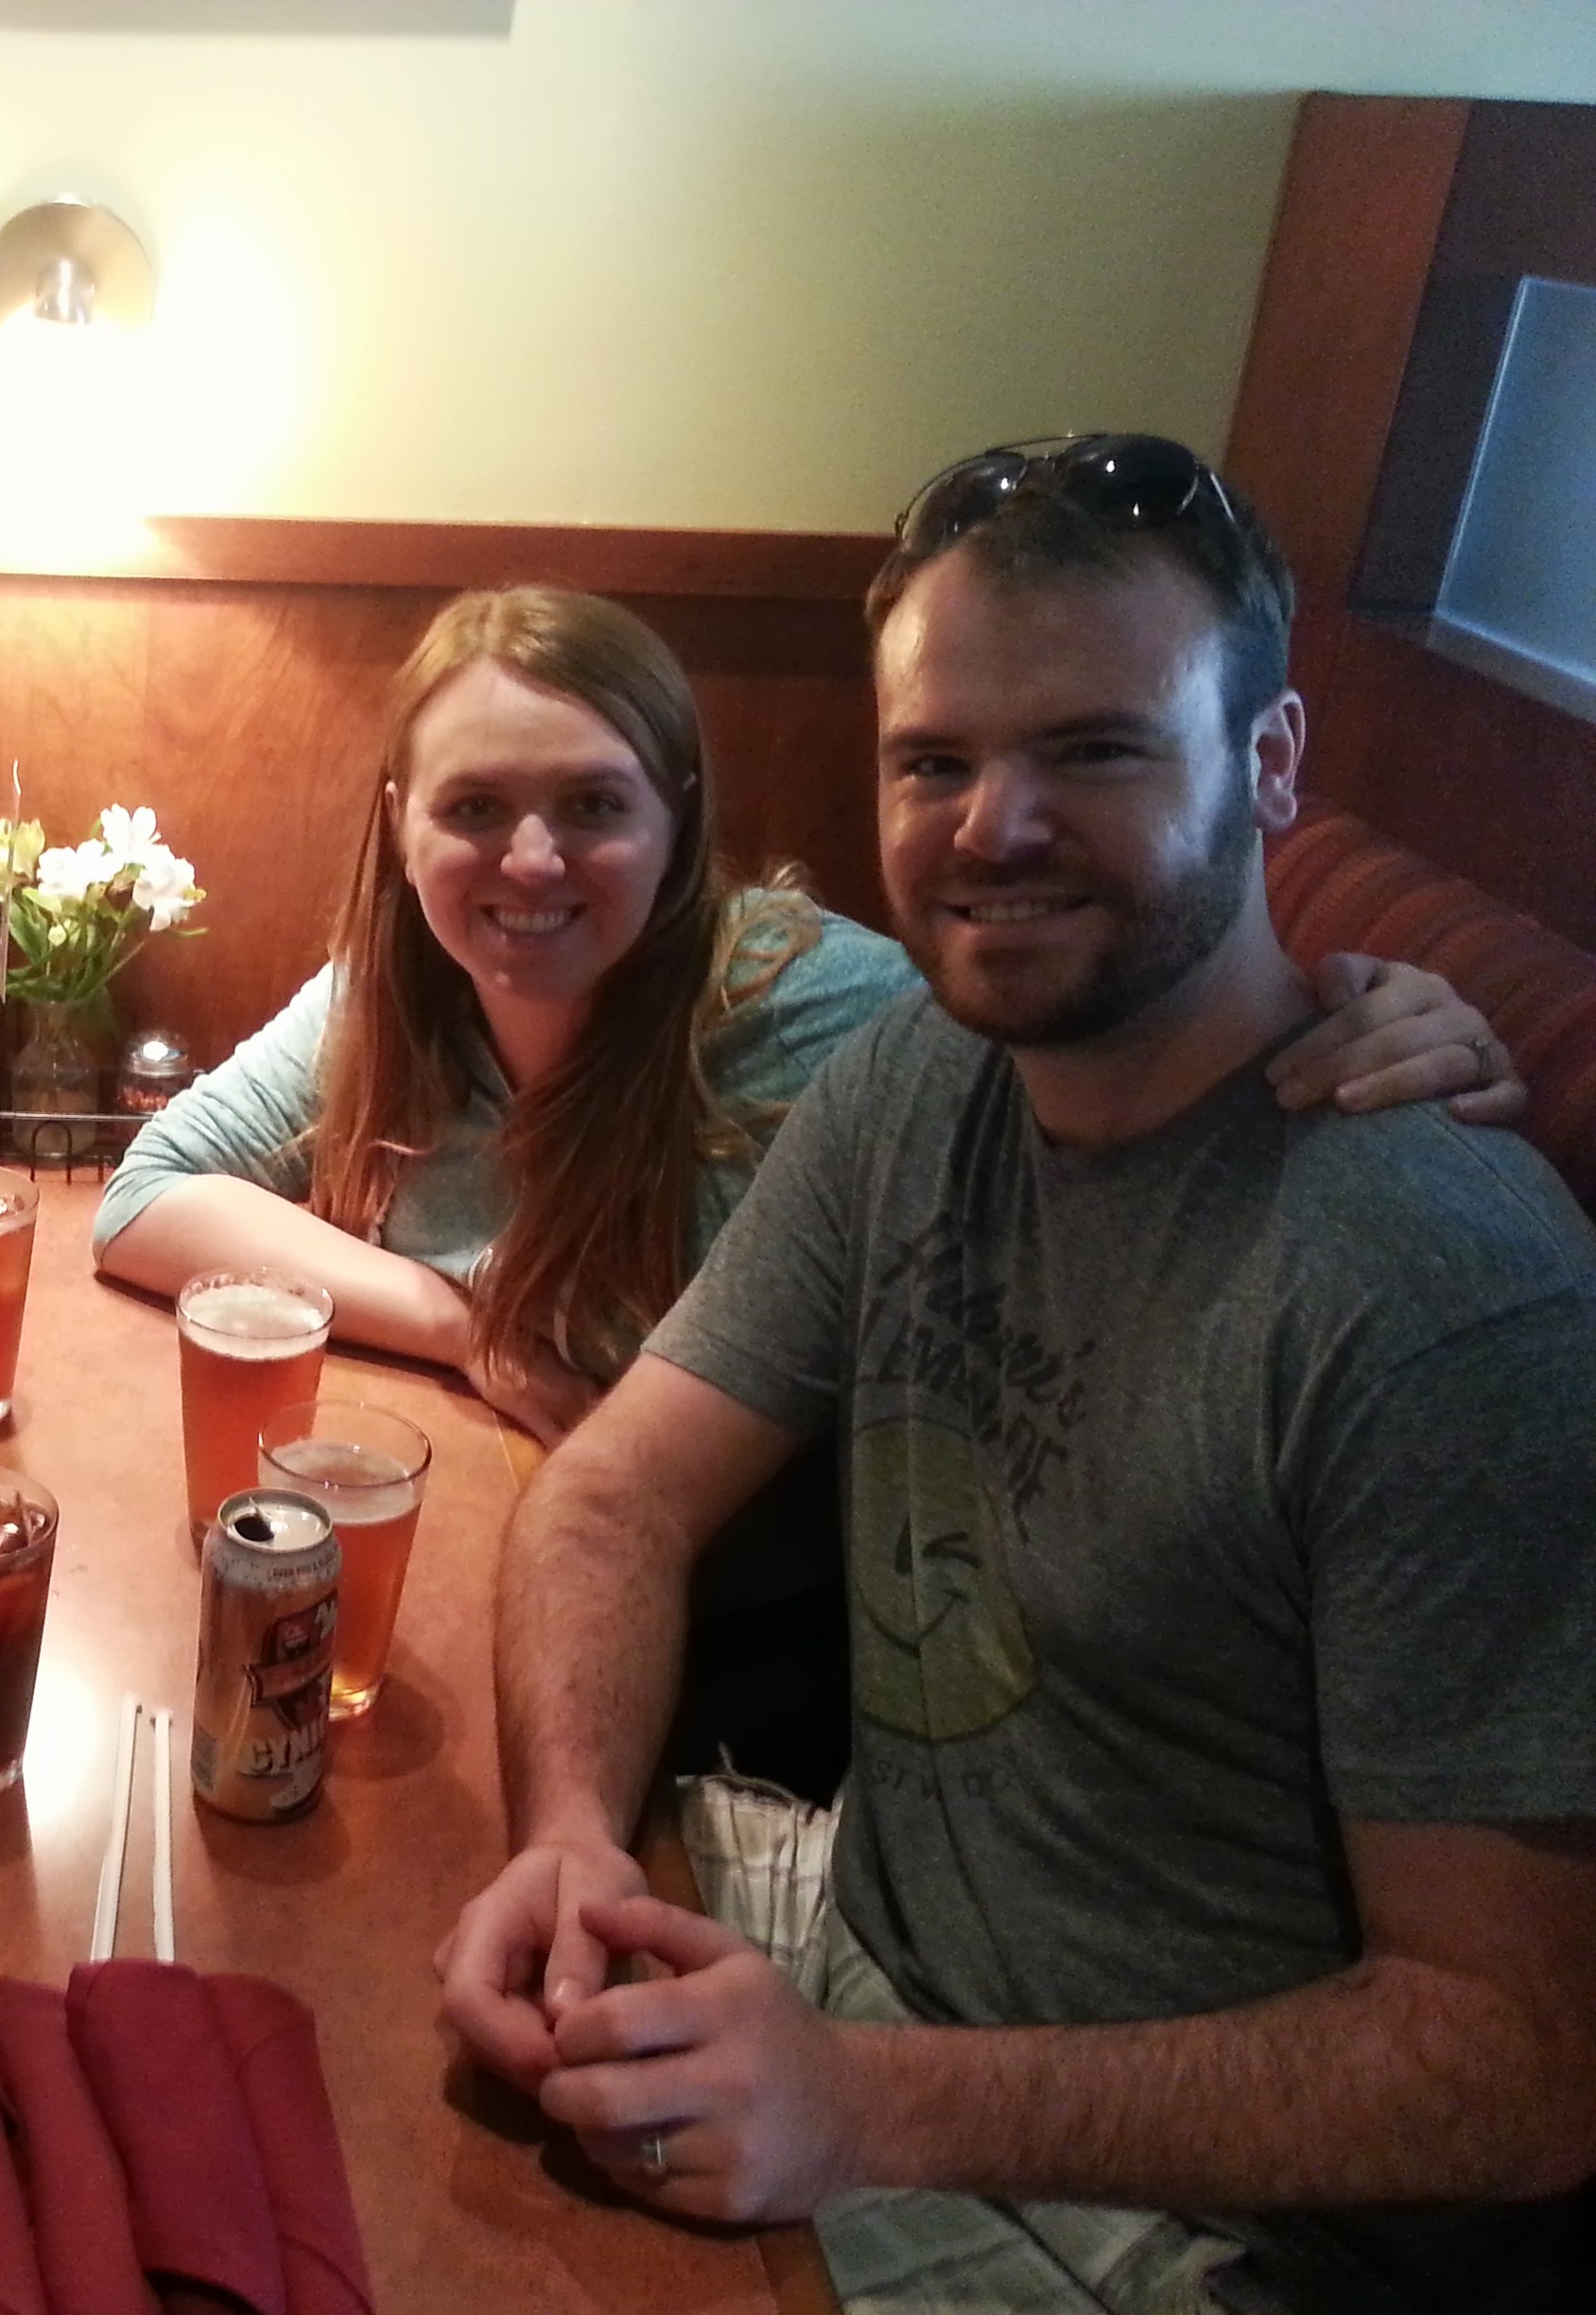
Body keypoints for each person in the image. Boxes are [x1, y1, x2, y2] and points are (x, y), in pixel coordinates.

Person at [436, 437, 1596, 2314]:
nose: (995, 827)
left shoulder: (1441, 1289)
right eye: (936, 762)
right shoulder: (918, 1081)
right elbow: (616, 1490)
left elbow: (1523, 2063)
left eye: (1096, 751)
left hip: (1180, 2225)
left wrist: (866, 2106)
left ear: (1270, 763)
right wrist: (569, 1837)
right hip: (852, 1959)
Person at [93, 583, 1516, 1792]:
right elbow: (147, 1199)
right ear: (403, 825)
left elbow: (1107, 1068)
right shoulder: (393, 998)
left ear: (677, 816)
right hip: (498, 1566)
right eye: (475, 808)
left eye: (593, 804)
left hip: (753, 1680)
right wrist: (470, 1326)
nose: (530, 860)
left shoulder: (832, 1012)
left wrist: (1349, 1018)